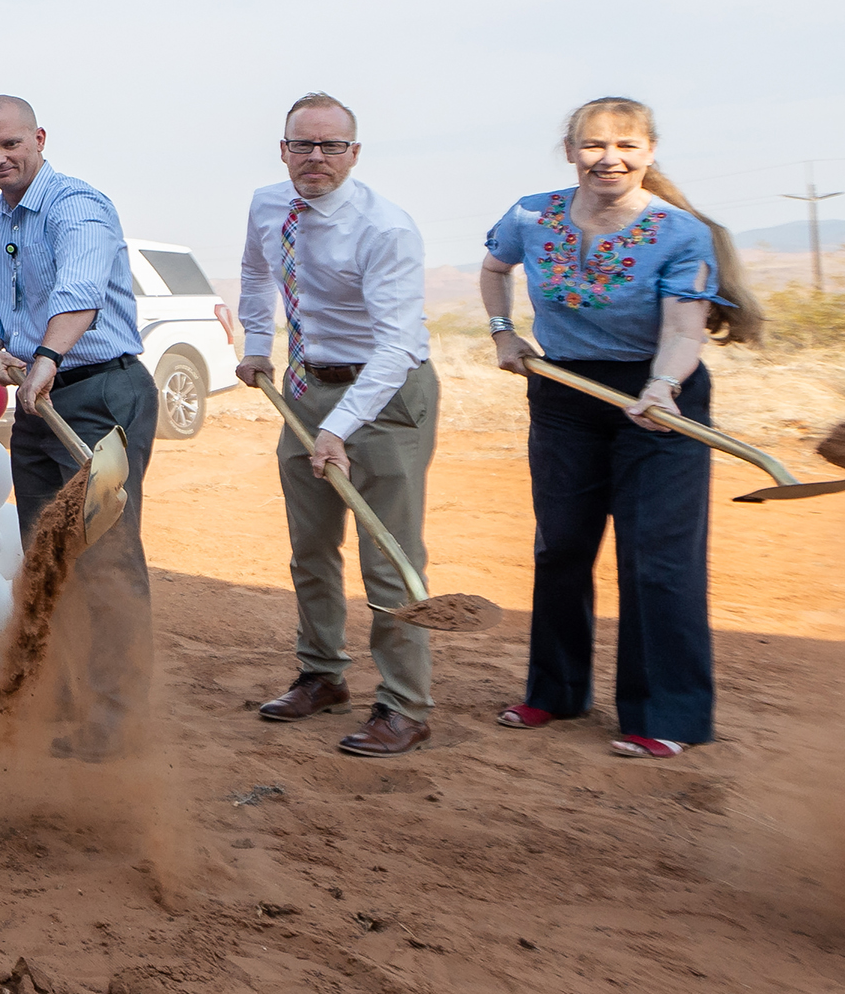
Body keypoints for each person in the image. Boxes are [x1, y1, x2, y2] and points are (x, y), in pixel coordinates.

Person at [481, 96, 760, 759]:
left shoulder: (680, 233)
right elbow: (494, 269)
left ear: (650, 152)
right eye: (595, 145)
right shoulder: (530, 216)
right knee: (561, 546)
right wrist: (504, 332)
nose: (610, 158)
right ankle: (555, 692)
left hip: (659, 397)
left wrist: (662, 387)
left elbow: (684, 329)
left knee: (657, 559)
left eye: (627, 146)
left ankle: (665, 714)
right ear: (570, 152)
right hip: (565, 391)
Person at [235, 93, 440, 757]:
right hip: (306, 386)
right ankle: (322, 674)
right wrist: (258, 343)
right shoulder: (268, 205)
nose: (315, 157)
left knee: (389, 556)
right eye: (303, 144)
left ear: (354, 153)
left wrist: (339, 428)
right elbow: (254, 270)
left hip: (385, 396)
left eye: (331, 145)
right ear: (283, 150)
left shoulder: (386, 229)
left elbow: (397, 346)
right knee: (311, 546)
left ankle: (405, 706)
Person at [0, 95, 155, 762]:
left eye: (10, 144)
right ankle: (70, 690)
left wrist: (45, 357)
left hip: (102, 396)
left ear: (39, 138)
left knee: (104, 552)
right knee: (46, 550)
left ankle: (118, 714)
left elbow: (80, 290)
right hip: (38, 404)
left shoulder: (78, 206)